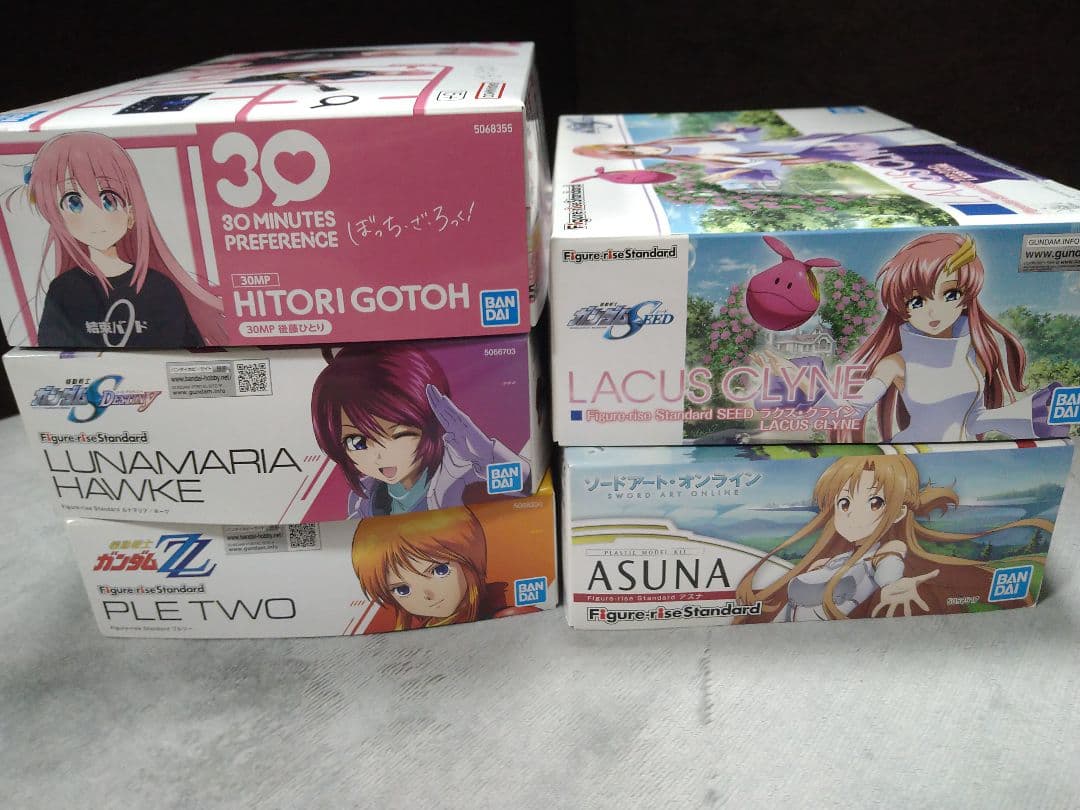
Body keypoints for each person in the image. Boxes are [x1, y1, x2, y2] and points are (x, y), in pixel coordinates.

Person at [752, 232, 1064, 441]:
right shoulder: (895, 364)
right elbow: (851, 413)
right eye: (917, 301)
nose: (934, 311)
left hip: (962, 457)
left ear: (966, 295)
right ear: (902, 308)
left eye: (950, 294)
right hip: (908, 454)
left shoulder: (976, 356)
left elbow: (971, 420)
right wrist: (807, 384)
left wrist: (1024, 416)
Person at [734, 454, 1053, 623]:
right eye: (844, 503)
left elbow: (891, 572)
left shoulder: (888, 552)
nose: (853, 515)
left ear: (899, 512)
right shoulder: (834, 558)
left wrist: (898, 585)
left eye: (875, 502)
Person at [11, 131, 224, 347]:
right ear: (57, 217)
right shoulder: (63, 290)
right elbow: (54, 354)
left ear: (131, 214)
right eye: (74, 203)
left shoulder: (159, 288)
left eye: (108, 200)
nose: (95, 217)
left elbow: (187, 351)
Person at [311, 344, 530, 519]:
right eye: (356, 442)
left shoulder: (462, 478)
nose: (378, 455)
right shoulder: (363, 498)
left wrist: (487, 456)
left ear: (429, 422)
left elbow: (528, 488)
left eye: (398, 435)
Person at [351, 506, 535, 630]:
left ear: (468, 558)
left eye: (440, 571)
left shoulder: (503, 614)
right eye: (402, 589)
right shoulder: (423, 624)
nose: (427, 595)